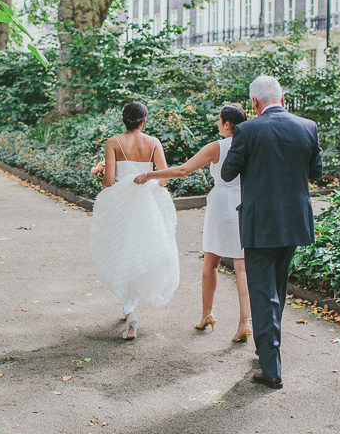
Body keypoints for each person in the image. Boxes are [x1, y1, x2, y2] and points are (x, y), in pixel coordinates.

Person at [221, 76, 322, 390]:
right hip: (293, 224)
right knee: (277, 288)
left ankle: (271, 368)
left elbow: (227, 173)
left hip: (260, 224)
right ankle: (268, 350)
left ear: (254, 103)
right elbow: (316, 173)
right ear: (283, 96)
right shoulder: (308, 126)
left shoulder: (248, 130)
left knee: (263, 294)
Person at [133, 104, 253, 342]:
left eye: (219, 120)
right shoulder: (251, 145)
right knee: (242, 266)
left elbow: (182, 171)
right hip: (244, 202)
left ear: (227, 124)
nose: (217, 124)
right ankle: (245, 323)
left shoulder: (215, 147)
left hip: (221, 204)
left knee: (211, 263)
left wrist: (149, 175)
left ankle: (207, 314)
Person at [89, 102, 179, 340]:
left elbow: (109, 181)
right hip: (147, 205)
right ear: (143, 120)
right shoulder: (153, 143)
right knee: (140, 251)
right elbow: (164, 178)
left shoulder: (113, 143)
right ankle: (128, 309)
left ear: (124, 119)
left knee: (121, 253)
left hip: (122, 205)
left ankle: (129, 311)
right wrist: (148, 185)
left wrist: (102, 173)